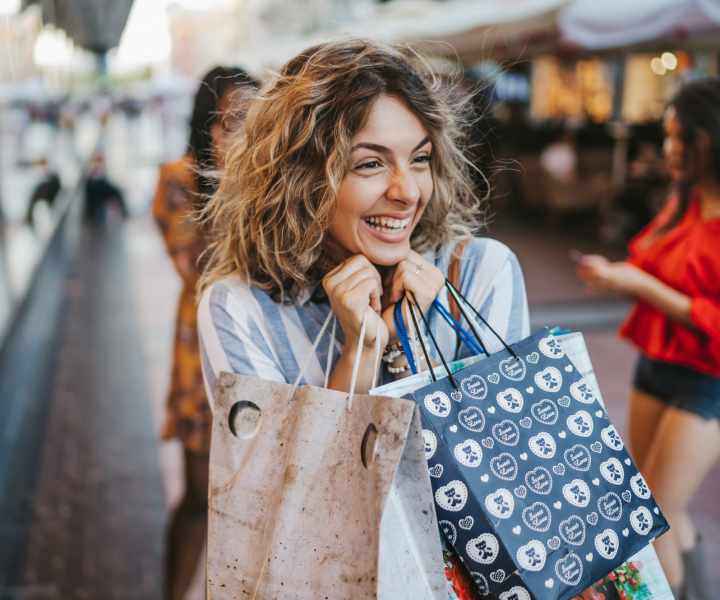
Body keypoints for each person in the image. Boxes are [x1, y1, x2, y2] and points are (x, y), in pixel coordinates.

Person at [196, 39, 529, 598]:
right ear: (302, 176)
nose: (406, 192)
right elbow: (283, 524)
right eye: (370, 164)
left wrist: (424, 350)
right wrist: (360, 354)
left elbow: (513, 479)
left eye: (419, 159)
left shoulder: (478, 276)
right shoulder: (241, 311)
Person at [576, 78, 720, 600]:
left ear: (712, 138)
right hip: (656, 365)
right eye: (669, 135)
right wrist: (616, 275)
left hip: (708, 383)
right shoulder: (682, 203)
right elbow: (655, 268)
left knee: (651, 519)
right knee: (662, 508)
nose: (669, 148)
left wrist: (643, 287)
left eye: (681, 137)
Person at [152, 65, 258, 600]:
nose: (246, 132)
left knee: (252, 500)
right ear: (208, 126)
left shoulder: (270, 182)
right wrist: (230, 176)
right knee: (197, 495)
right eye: (233, 120)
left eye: (254, 119)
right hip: (200, 352)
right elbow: (203, 265)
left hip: (259, 355)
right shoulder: (179, 180)